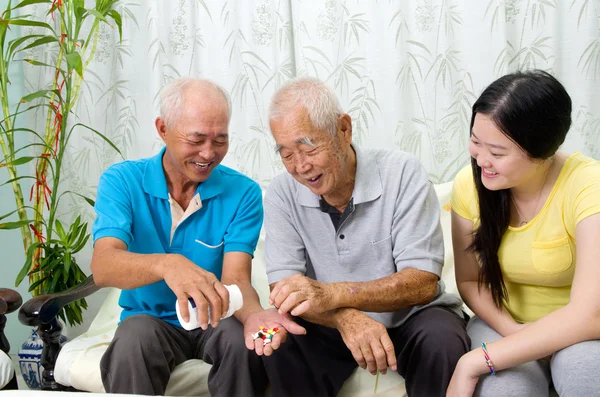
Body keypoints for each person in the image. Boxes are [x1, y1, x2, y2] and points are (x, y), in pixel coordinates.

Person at [90, 77, 304, 396]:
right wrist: (168, 265)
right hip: (149, 320)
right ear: (163, 129)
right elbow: (103, 266)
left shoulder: (242, 192)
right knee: (133, 340)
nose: (209, 153)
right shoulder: (122, 181)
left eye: (220, 140)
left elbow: (237, 280)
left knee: (243, 342)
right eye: (197, 139)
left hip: (217, 319)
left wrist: (257, 316)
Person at [261, 77, 470, 397]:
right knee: (280, 345)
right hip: (329, 323)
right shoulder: (281, 193)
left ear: (344, 130)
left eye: (308, 147)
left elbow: (423, 282)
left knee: (442, 340)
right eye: (286, 154)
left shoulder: (402, 173)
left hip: (410, 317)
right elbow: (285, 290)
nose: (300, 166)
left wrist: (334, 294)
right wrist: (345, 317)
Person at [447, 70, 600, 397]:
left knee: (585, 375)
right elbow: (471, 281)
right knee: (506, 390)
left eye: (498, 152)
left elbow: (589, 314)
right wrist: (514, 333)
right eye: (475, 141)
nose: (481, 160)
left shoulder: (588, 186)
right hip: (502, 323)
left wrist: (473, 362)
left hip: (581, 332)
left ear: (543, 152)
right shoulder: (468, 185)